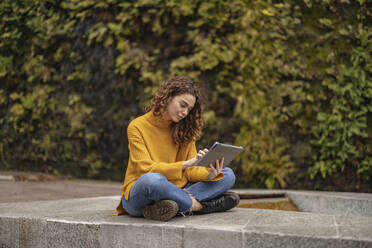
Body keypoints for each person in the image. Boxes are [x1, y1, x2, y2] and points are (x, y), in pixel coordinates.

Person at [115, 76, 239, 221]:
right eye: (183, 105)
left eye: (189, 109)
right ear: (167, 97)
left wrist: (209, 174)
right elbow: (144, 168)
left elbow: (190, 172)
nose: (185, 112)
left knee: (227, 174)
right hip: (140, 195)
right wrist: (184, 164)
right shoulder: (137, 126)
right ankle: (200, 206)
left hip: (177, 190)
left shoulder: (185, 128)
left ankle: (172, 205)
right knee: (152, 180)